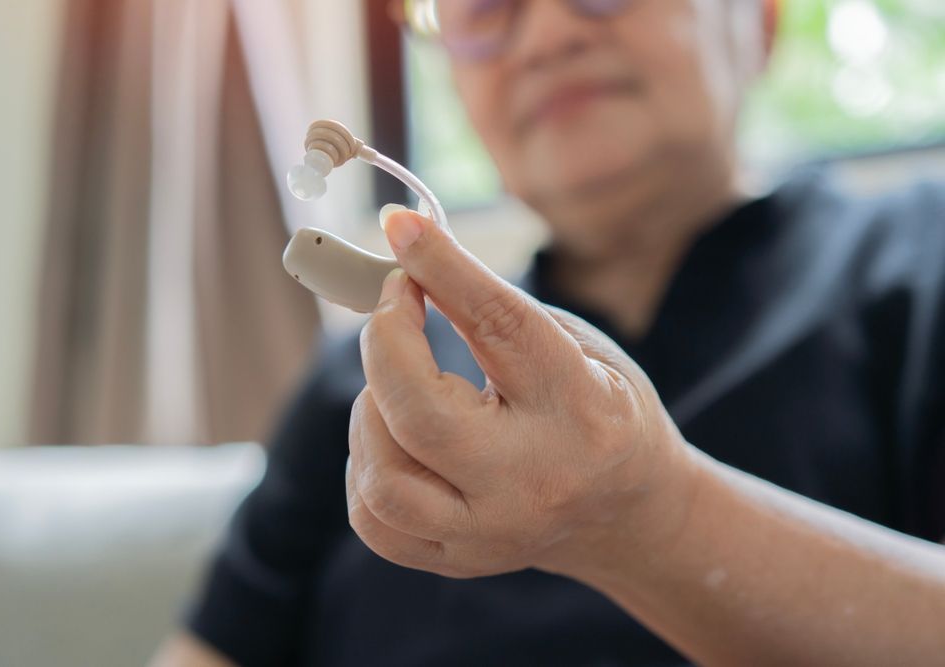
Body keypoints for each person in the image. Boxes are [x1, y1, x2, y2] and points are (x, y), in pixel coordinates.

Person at [152, 0, 945, 664]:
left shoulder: (919, 264)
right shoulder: (363, 381)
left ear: (759, 20)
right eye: (484, 7)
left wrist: (652, 518)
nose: (547, 35)